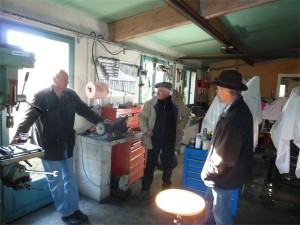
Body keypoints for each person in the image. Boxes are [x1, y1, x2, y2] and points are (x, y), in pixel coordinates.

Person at [11, 69, 112, 225]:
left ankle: (74, 208)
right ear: (54, 79)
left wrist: (100, 120)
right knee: (56, 181)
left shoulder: (70, 95)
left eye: (68, 79)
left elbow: (84, 109)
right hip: (50, 148)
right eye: (64, 79)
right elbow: (27, 121)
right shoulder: (41, 96)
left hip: (67, 145)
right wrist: (16, 143)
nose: (67, 81)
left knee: (70, 178)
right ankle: (66, 213)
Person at [201, 70, 254, 225]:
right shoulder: (236, 109)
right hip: (222, 175)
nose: (217, 92)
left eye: (218, 89)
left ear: (226, 90)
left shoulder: (235, 118)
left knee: (221, 213)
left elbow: (225, 156)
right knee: (210, 202)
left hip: (223, 176)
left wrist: (209, 172)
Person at [138, 82, 191, 197]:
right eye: (157, 90)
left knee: (168, 165)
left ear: (168, 92)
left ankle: (166, 187)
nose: (157, 92)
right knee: (150, 164)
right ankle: (145, 188)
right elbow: (142, 117)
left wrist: (180, 125)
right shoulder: (150, 104)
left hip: (170, 139)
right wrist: (146, 129)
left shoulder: (178, 104)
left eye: (161, 90)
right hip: (154, 139)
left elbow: (187, 115)